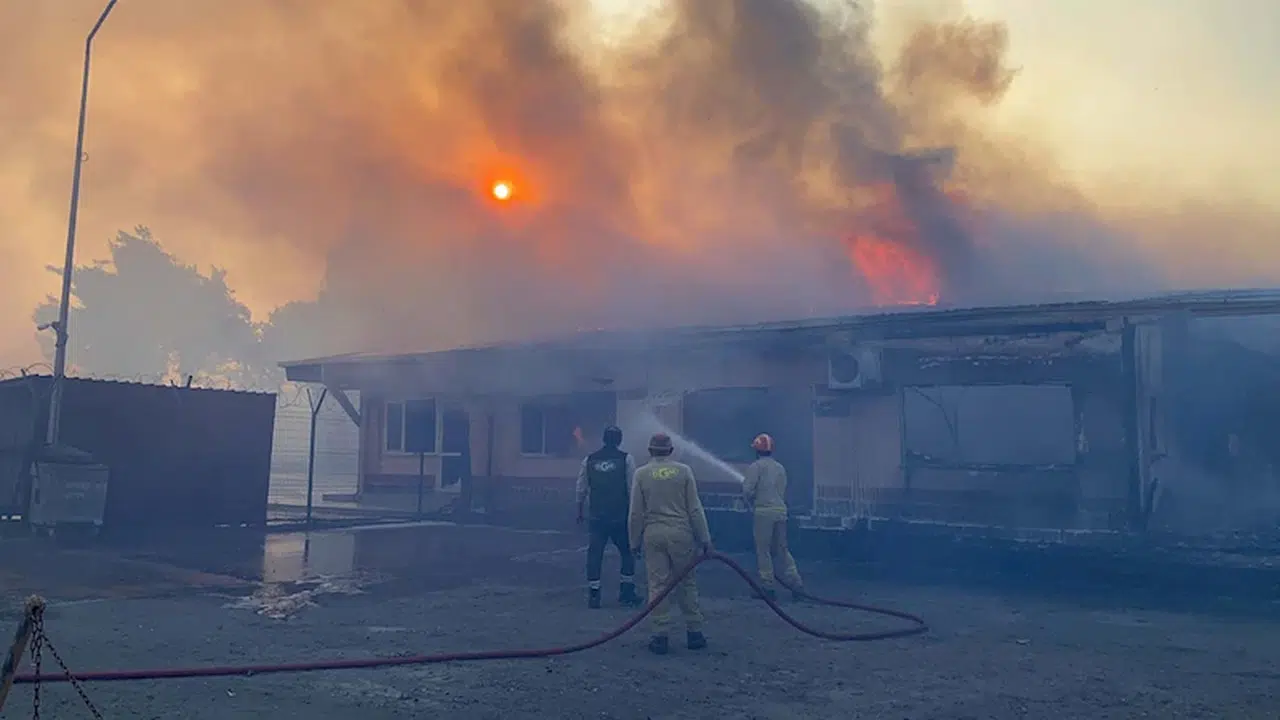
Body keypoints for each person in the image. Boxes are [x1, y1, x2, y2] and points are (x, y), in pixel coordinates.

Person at [629, 432, 713, 655]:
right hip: (681, 533)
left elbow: (636, 512)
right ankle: (694, 632)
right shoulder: (684, 472)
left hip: (653, 533)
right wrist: (705, 538)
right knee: (686, 582)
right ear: (671, 450)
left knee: (657, 584)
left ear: (650, 451)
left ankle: (660, 636)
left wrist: (633, 541)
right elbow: (695, 508)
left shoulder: (641, 474)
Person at [576, 425, 641, 609]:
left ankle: (594, 594)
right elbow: (633, 489)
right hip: (620, 516)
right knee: (628, 552)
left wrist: (579, 511)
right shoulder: (626, 459)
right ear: (619, 440)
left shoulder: (589, 460)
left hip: (597, 517)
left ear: (604, 439)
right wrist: (636, 514)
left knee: (595, 554)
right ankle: (626, 592)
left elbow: (581, 488)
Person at [743, 433, 804, 601]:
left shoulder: (755, 467)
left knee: (763, 550)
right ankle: (796, 584)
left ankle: (767, 587)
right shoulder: (780, 467)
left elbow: (747, 490)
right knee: (782, 550)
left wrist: (749, 501)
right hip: (781, 511)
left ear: (756, 450)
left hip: (763, 513)